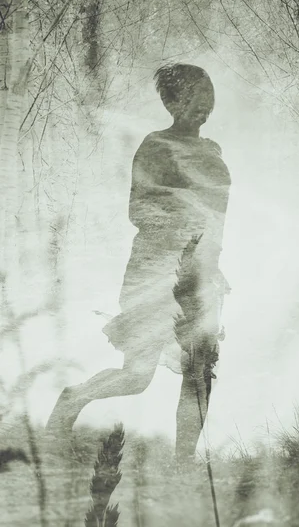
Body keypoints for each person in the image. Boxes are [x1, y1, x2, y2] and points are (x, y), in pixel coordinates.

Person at [46, 63, 231, 466]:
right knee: (137, 377)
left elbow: (218, 219)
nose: (202, 107)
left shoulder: (212, 151)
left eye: (207, 98)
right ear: (170, 102)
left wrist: (210, 261)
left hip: (201, 276)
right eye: (192, 98)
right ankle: (71, 401)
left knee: (199, 371)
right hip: (156, 273)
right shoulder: (156, 145)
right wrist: (186, 225)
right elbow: (139, 209)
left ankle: (184, 462)